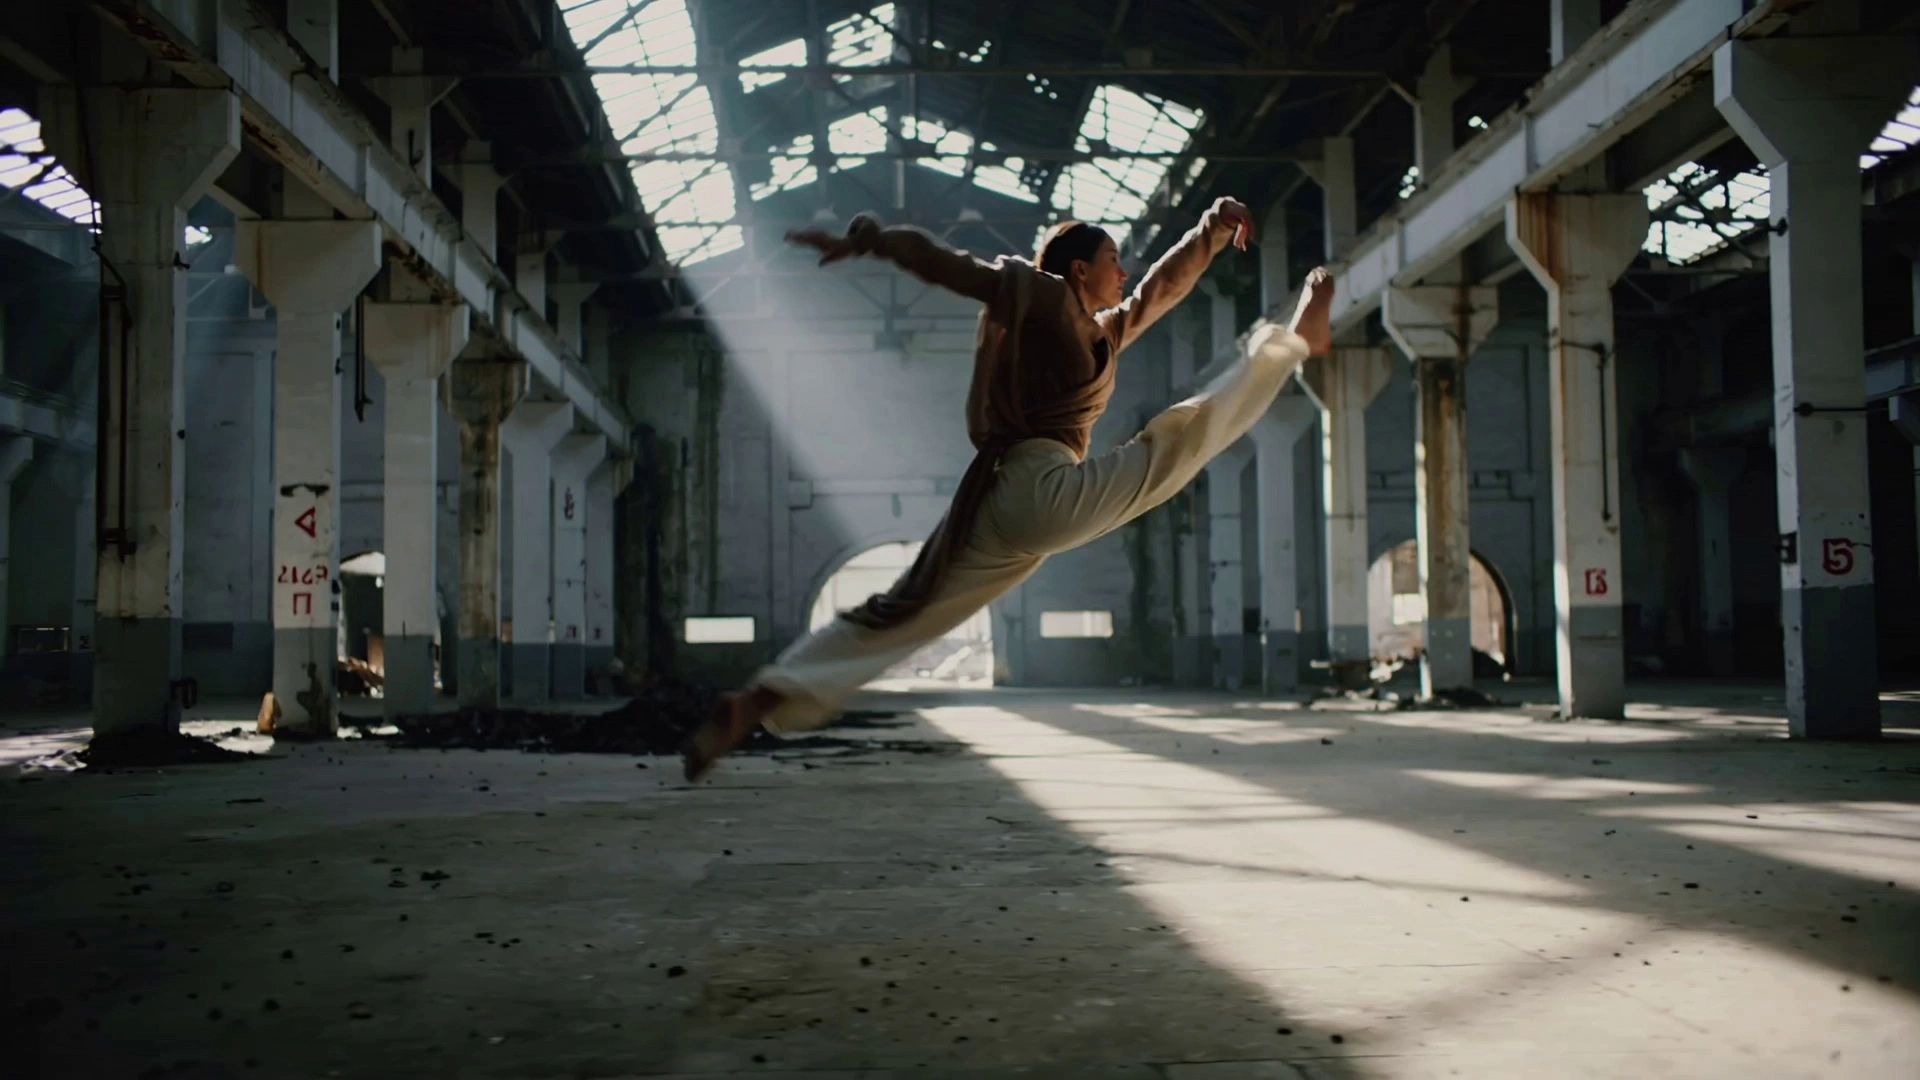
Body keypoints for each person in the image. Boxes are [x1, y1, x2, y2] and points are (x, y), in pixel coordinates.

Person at [681, 198, 1335, 780]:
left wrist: (1212, 230)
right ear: (1079, 270)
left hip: (1007, 508)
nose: (1123, 272)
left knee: (907, 610)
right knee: (1178, 443)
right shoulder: (1042, 297)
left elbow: (1161, 289)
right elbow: (949, 265)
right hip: (1036, 489)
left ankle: (759, 700)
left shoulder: (1099, 331)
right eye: (1112, 259)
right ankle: (1290, 346)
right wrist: (871, 239)